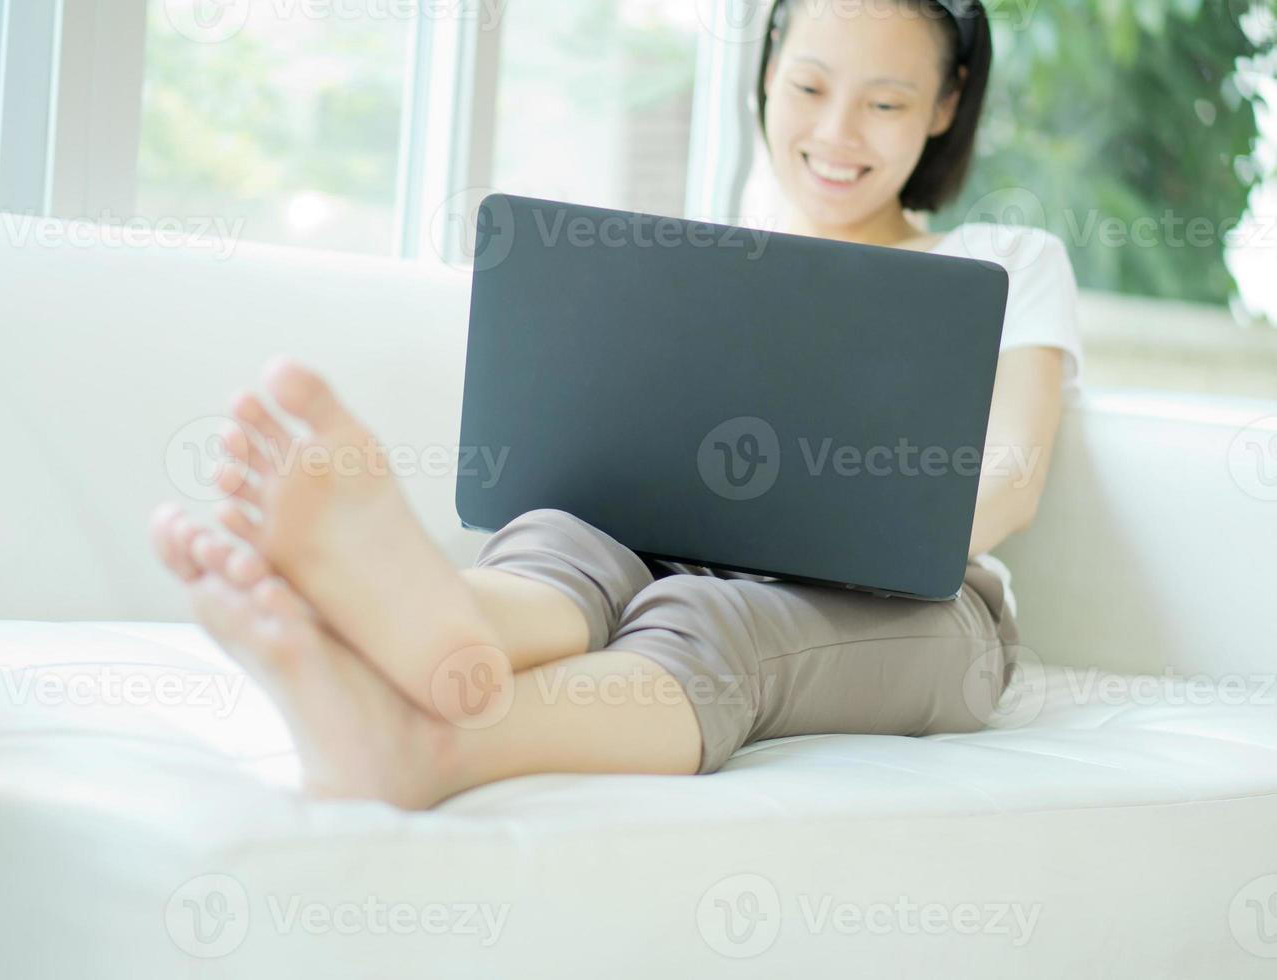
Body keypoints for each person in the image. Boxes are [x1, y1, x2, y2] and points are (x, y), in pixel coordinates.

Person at [150, 0, 1084, 810]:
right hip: (678, 548)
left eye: (885, 103)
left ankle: (435, 744)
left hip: (923, 604)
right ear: (763, 77)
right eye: (808, 88)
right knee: (566, 536)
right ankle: (442, 625)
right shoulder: (701, 255)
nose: (838, 132)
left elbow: (1011, 479)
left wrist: (840, 536)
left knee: (713, 618)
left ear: (947, 106)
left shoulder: (1004, 260)